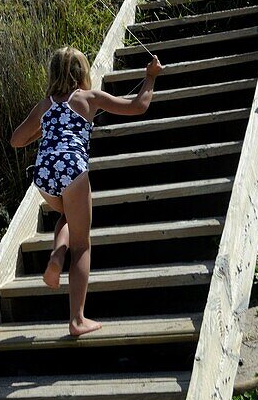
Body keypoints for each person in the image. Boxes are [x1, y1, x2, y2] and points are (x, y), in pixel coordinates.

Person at [10, 46, 163, 337]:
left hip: (44, 172)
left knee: (66, 216)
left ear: (53, 73)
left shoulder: (45, 106)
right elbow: (138, 106)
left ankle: (56, 254)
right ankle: (77, 319)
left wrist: (45, 130)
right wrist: (150, 77)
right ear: (83, 73)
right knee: (82, 245)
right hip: (72, 168)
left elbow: (16, 140)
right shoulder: (88, 98)